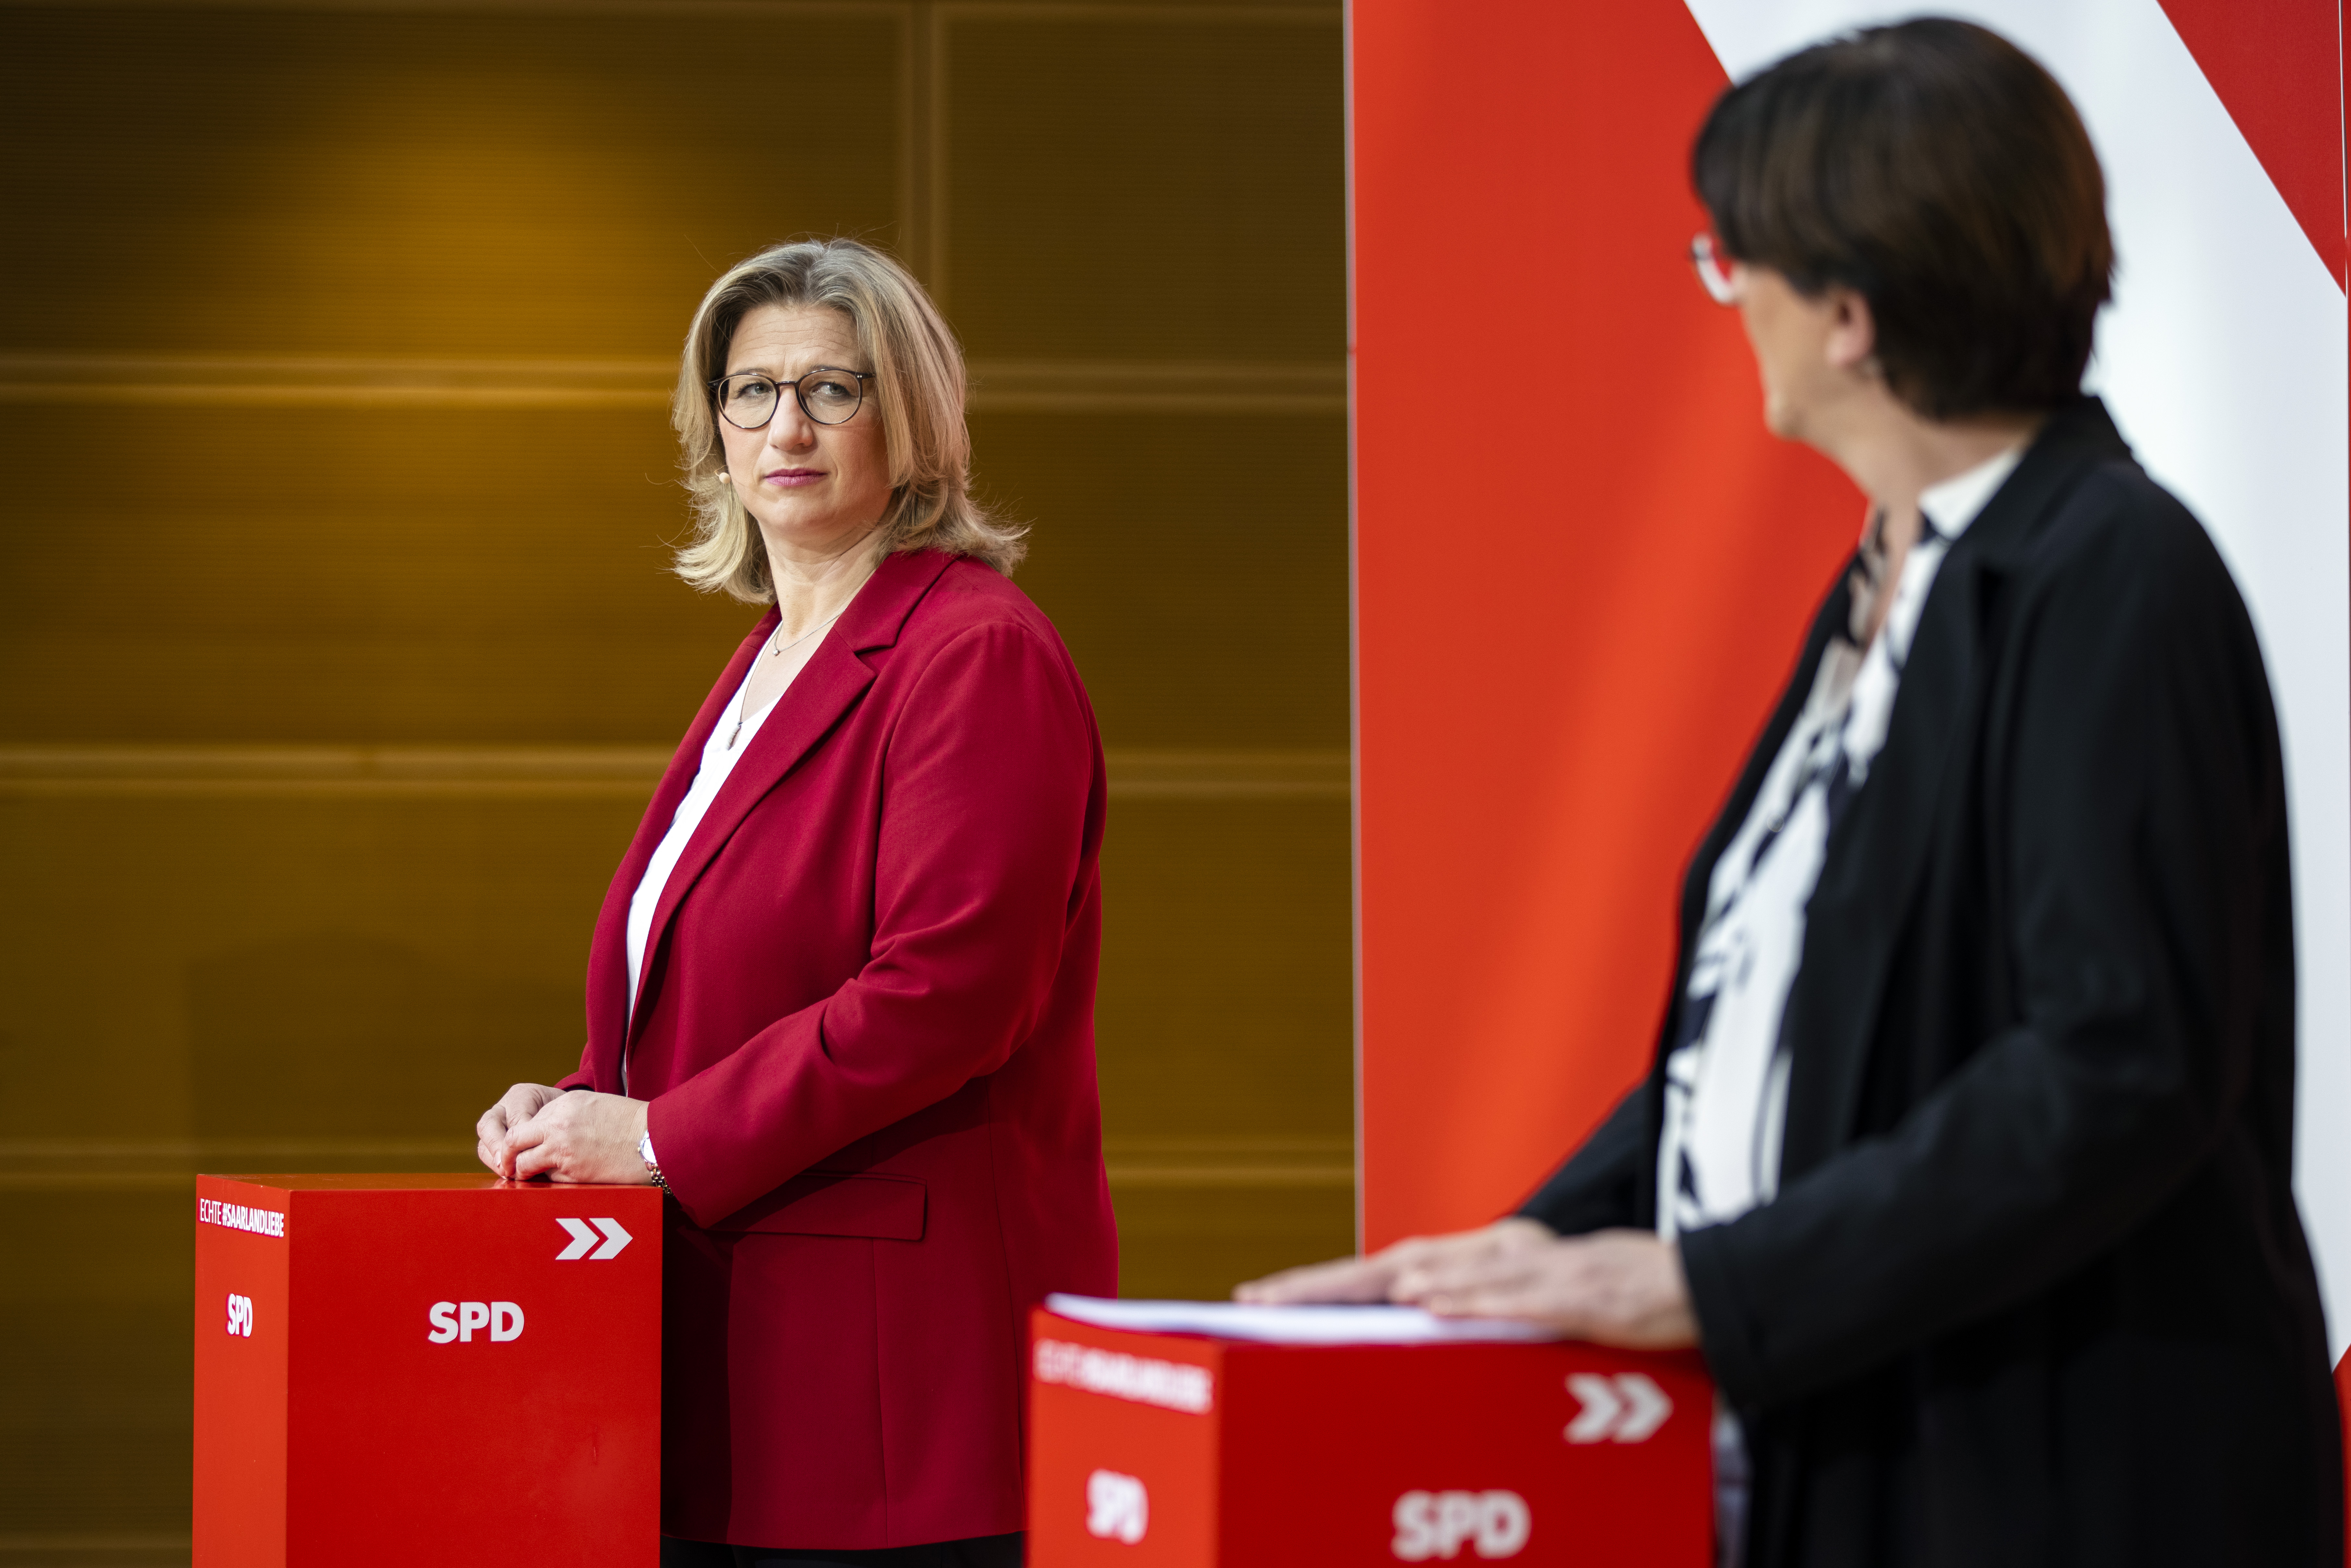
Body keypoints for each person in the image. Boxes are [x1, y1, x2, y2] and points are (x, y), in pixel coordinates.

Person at [1240, 20, 2341, 1567]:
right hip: (1858, 1430)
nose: (1724, 293)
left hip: (2057, 1471)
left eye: (1729, 257)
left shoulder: (2113, 574)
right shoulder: (1892, 577)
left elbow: (2116, 1066)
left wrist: (1713, 1288)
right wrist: (1535, 1245)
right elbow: (1780, 1021)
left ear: (1846, 307)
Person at [473, 237, 1117, 1567]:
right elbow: (696, 975)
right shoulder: (768, 658)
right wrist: (575, 1101)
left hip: (894, 1397)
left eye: (834, 388)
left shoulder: (974, 650)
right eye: (751, 391)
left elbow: (948, 999)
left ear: (912, 418)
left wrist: (649, 1136)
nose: (788, 426)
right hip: (738, 1358)